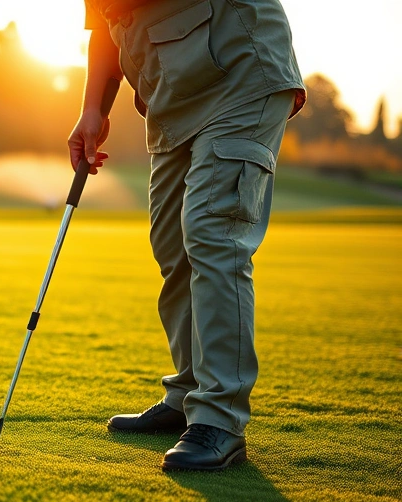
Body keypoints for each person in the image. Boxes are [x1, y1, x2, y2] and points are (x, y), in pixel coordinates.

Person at [68, 0, 306, 471]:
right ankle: (189, 394)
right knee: (172, 244)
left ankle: (219, 417)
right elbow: (103, 20)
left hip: (239, 71)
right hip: (171, 92)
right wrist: (92, 109)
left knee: (213, 232)